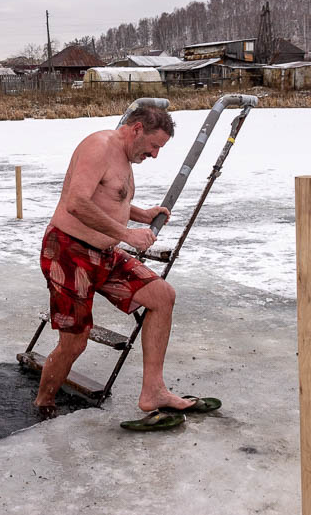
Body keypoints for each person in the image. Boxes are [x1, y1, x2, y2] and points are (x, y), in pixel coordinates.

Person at [34, 105, 194, 419]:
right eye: (154, 146)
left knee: (162, 296)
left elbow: (109, 198)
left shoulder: (123, 155)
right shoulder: (100, 146)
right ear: (137, 129)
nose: (155, 154)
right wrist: (126, 234)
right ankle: (44, 404)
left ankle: (153, 391)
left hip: (104, 255)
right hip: (69, 253)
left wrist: (141, 214)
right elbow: (77, 202)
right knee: (74, 343)